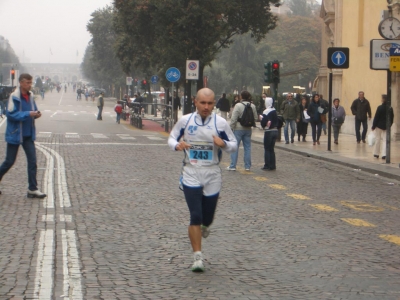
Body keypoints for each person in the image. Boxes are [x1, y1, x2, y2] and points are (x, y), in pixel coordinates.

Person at [168, 88, 237, 272]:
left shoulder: (220, 123)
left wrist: (224, 144)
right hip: (191, 172)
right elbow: (172, 137)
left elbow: (234, 144)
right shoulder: (186, 120)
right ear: (195, 102)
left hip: (212, 173)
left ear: (214, 104)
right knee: (195, 216)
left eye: (210, 103)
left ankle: (206, 225)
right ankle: (197, 257)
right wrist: (177, 145)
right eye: (203, 103)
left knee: (207, 217)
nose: (206, 107)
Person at [0, 73, 46, 198]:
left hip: (28, 134)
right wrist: (28, 114)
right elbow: (10, 114)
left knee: (33, 161)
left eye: (31, 83)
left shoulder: (31, 96)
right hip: (15, 134)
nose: (29, 85)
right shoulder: (14, 97)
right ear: (20, 82)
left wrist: (36, 114)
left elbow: (33, 110)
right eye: (27, 83)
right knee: (9, 161)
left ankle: (32, 188)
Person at [228, 90, 257, 171]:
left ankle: (233, 165)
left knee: (235, 147)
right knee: (247, 147)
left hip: (238, 128)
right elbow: (255, 118)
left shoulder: (238, 105)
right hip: (248, 129)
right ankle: (247, 166)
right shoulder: (253, 106)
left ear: (241, 97)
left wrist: (231, 127)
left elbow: (234, 118)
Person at [372, 94, 394, 159]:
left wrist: (373, 126)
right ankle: (384, 154)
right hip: (386, 126)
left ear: (383, 100)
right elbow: (392, 118)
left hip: (379, 126)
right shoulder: (390, 108)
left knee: (377, 139)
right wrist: (390, 124)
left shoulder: (379, 107)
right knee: (385, 140)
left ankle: (376, 153)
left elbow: (376, 117)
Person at [260, 97, 278, 171]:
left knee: (267, 149)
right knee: (272, 149)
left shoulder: (266, 111)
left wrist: (261, 120)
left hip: (268, 131)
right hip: (275, 131)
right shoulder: (274, 110)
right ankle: (272, 165)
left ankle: (267, 165)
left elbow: (263, 123)